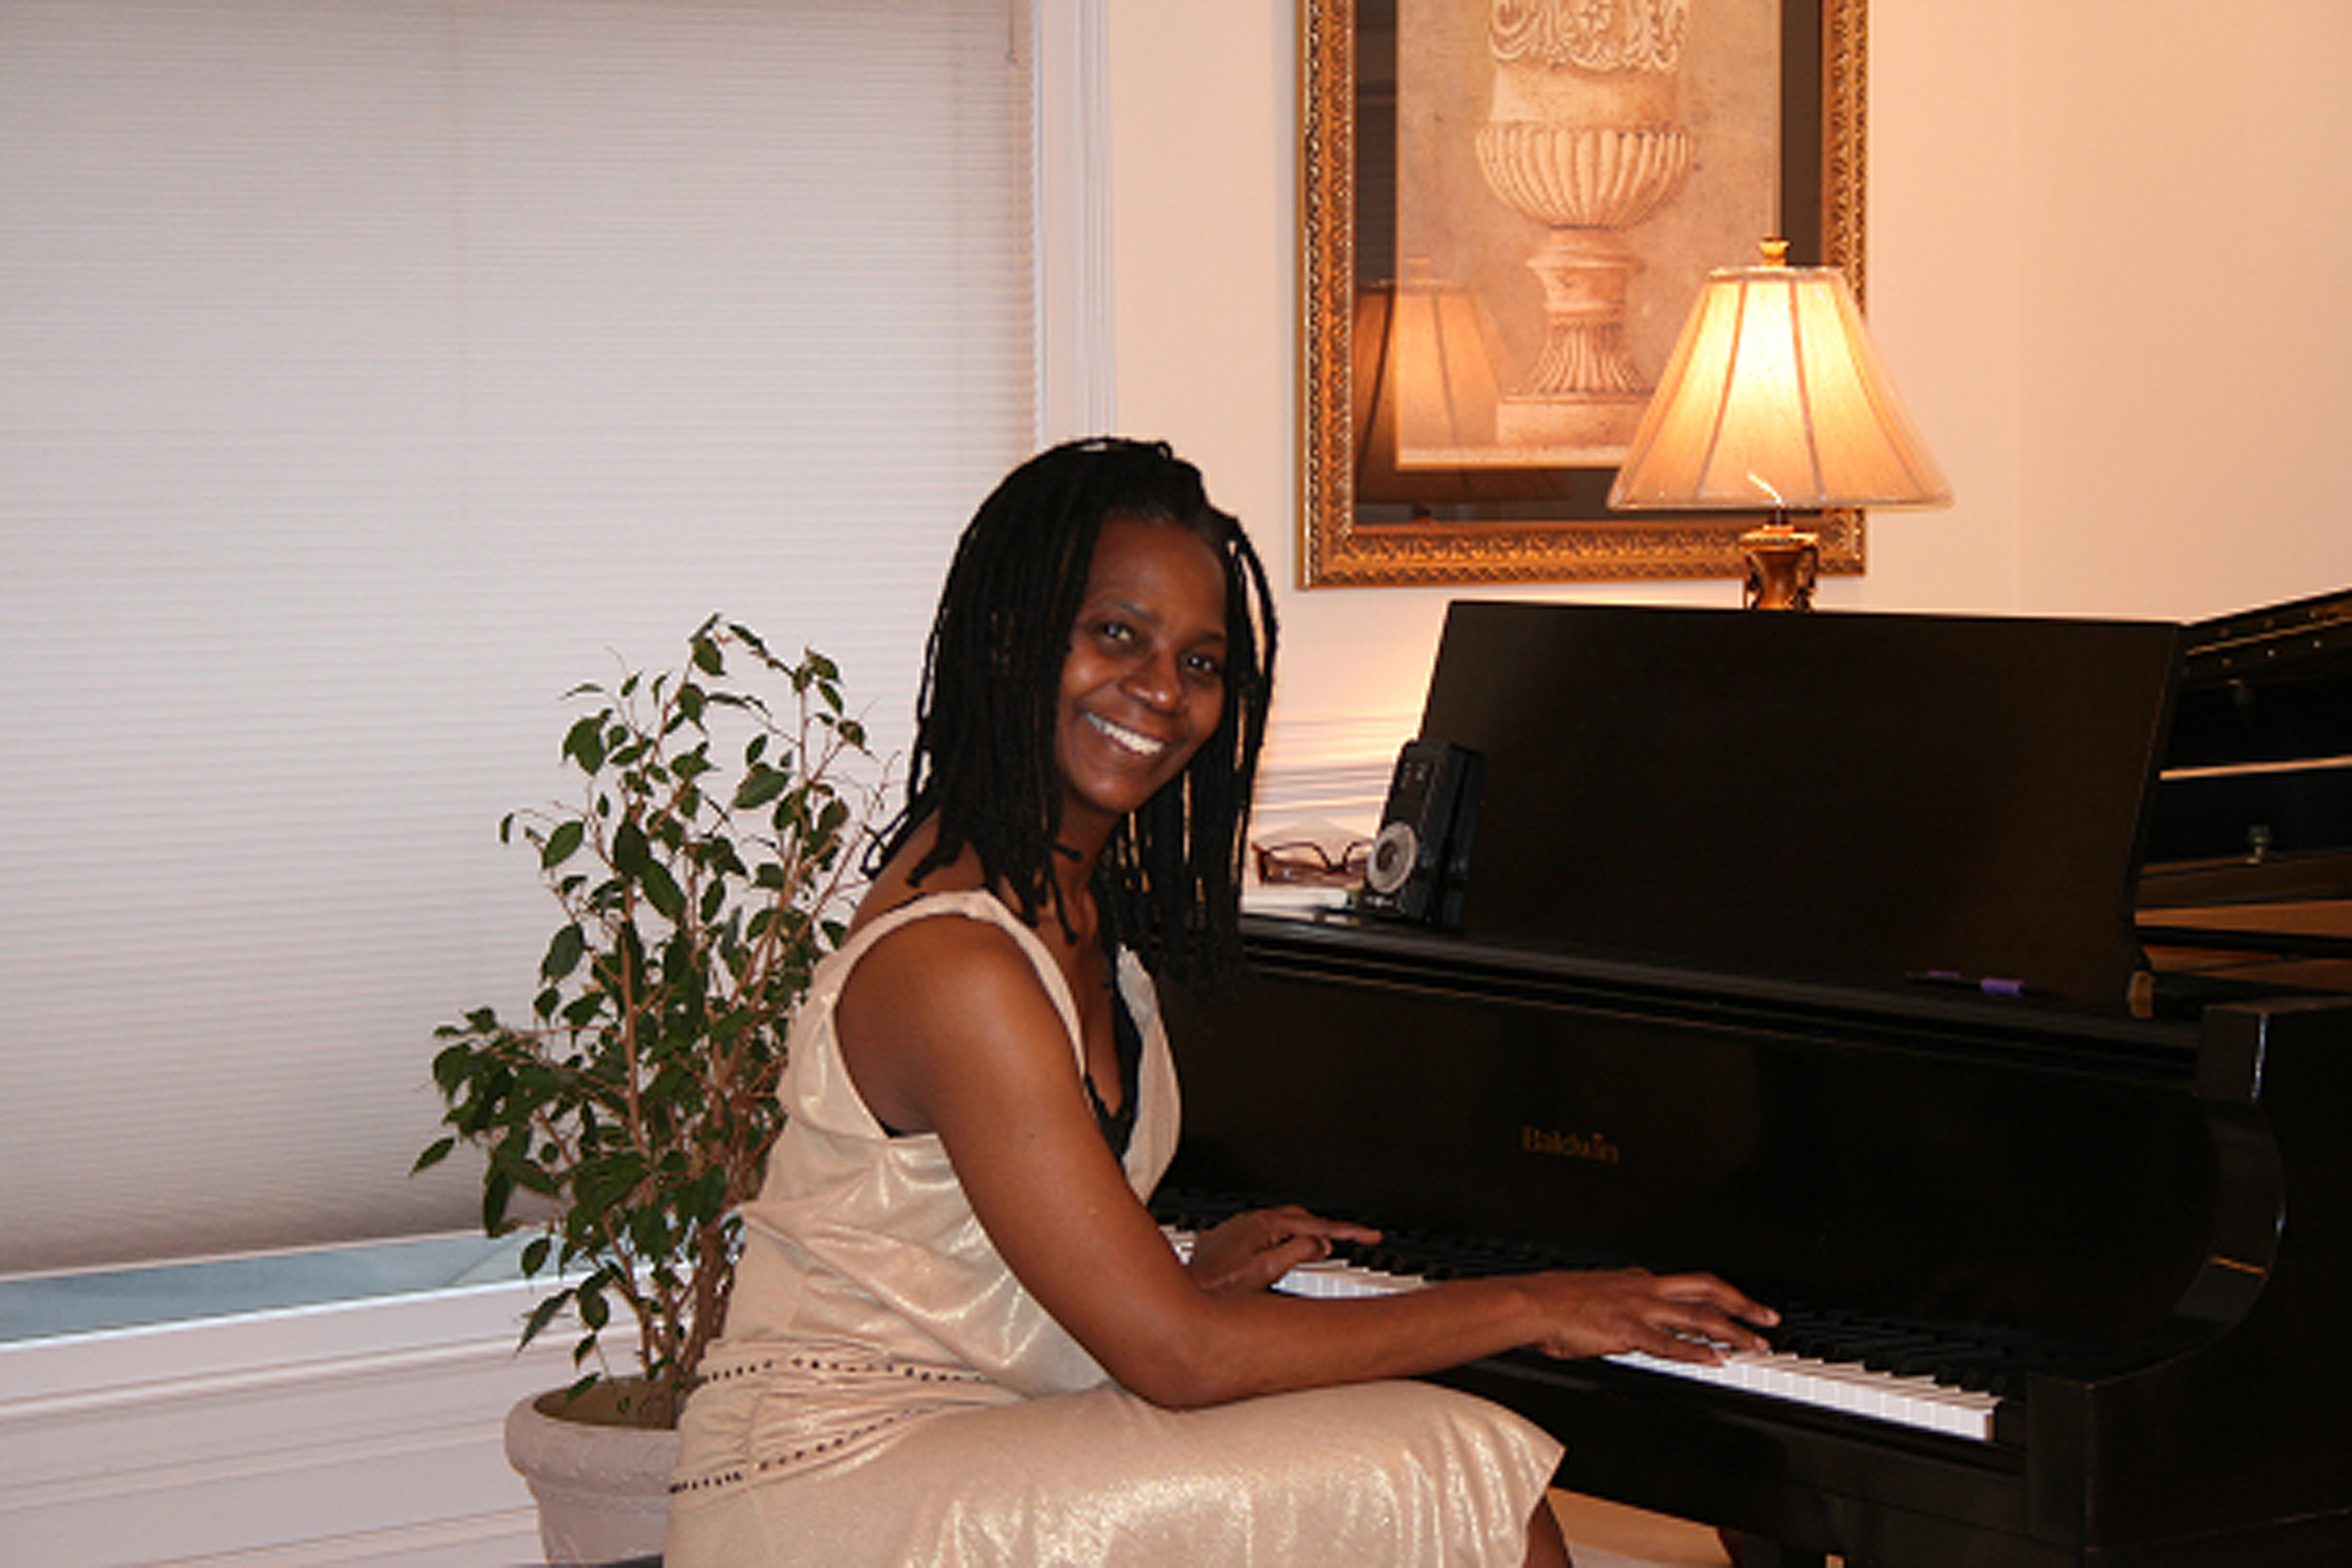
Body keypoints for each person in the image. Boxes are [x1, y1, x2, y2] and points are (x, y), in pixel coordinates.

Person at [667, 438, 1776, 1566]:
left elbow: (976, 1256)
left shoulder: (1078, 911)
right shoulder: (959, 964)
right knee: (1462, 1472)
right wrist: (1539, 1299)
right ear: (1014, 636)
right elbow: (1181, 1360)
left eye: (1201, 661)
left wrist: (1171, 1271)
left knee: (1447, 1467)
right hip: (833, 1483)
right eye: (1116, 634)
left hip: (994, 1421)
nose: (1161, 691)